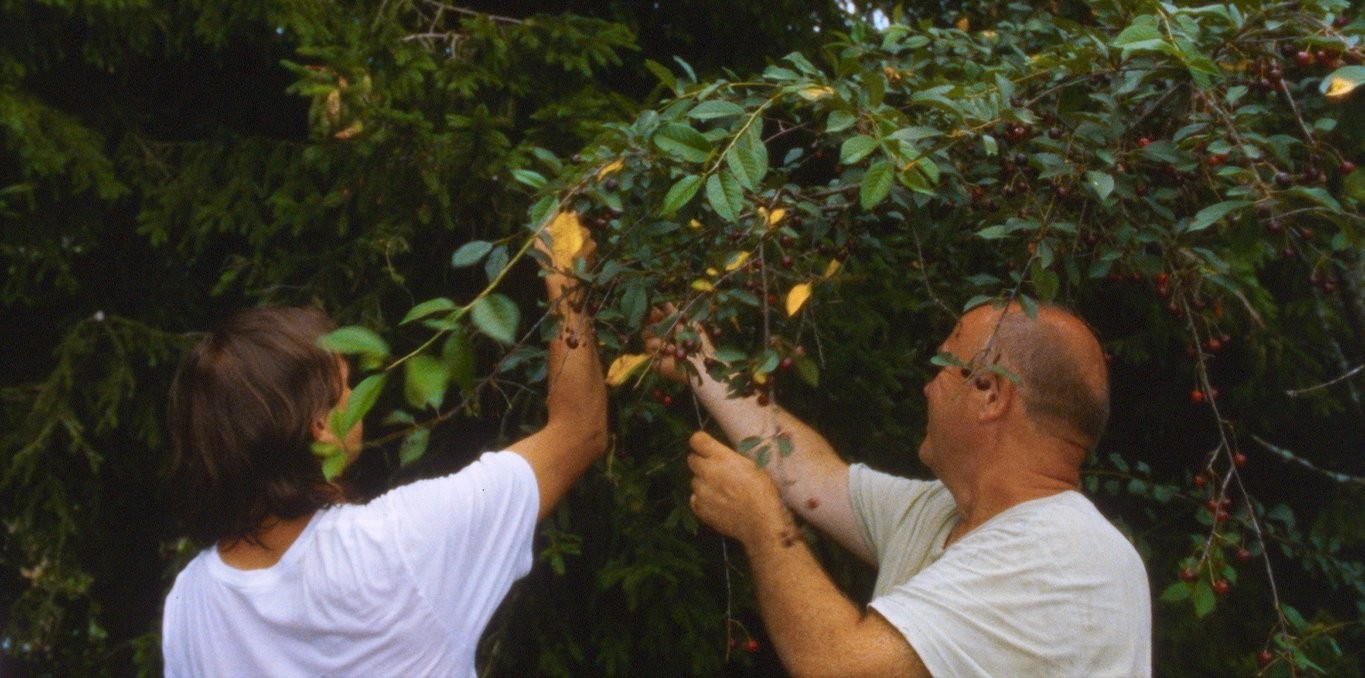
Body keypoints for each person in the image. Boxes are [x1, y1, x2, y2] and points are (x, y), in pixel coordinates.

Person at [160, 230, 605, 676]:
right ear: (320, 429)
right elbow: (579, 430)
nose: (359, 397)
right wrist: (566, 288)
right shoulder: (401, 542)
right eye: (347, 387)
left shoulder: (189, 605)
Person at [651, 301, 1151, 676]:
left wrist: (763, 527)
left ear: (990, 394)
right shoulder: (946, 513)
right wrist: (704, 365)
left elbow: (844, 667)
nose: (927, 385)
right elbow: (809, 477)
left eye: (944, 365)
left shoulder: (1061, 557)